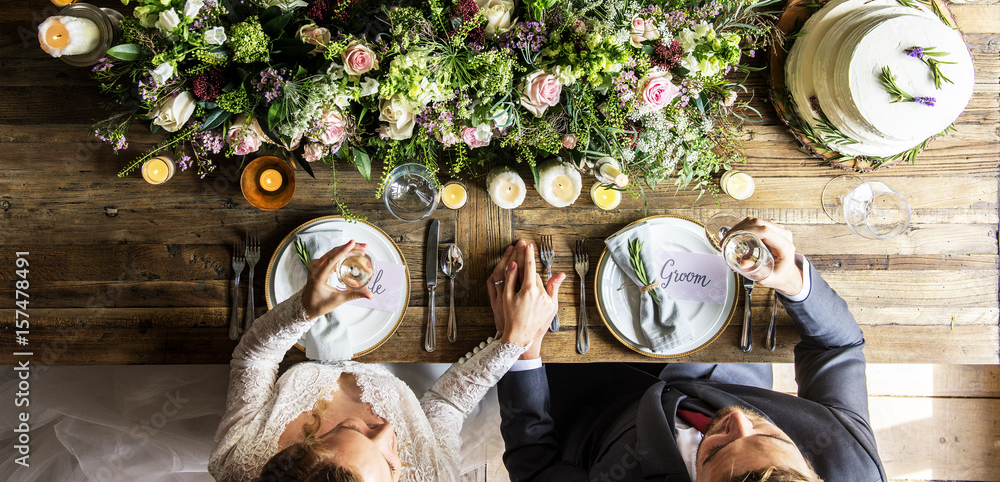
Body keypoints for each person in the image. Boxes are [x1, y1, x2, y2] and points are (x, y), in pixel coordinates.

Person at [495, 218, 888, 482]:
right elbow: (838, 346)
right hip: (717, 349)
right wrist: (793, 283)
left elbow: (534, 465)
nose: (736, 419)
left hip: (586, 393)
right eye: (773, 435)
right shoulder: (851, 465)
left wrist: (520, 350)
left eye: (717, 450)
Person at [209, 239, 565, 481]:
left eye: (350, 428)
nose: (390, 430)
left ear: (299, 448)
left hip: (305, 350)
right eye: (392, 467)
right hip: (413, 370)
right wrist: (513, 341)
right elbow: (447, 403)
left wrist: (304, 309)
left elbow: (252, 359)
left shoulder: (238, 460)